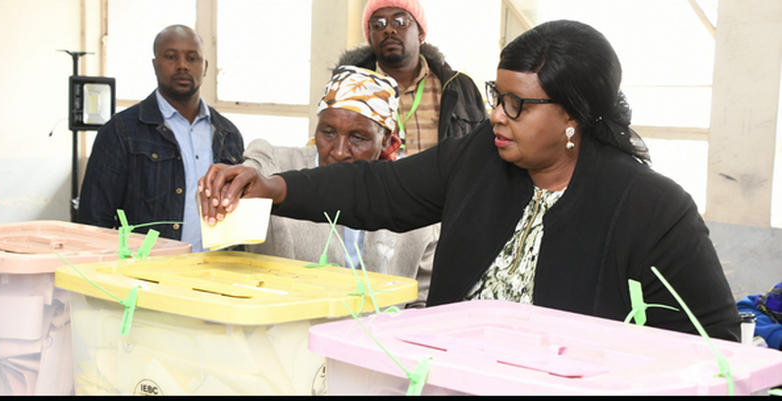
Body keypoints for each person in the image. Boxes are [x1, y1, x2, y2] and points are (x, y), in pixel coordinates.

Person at [199, 20, 741, 341]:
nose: (497, 115)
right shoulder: (482, 158)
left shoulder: (652, 210)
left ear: (573, 115)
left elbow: (715, 341)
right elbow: (379, 191)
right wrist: (275, 187)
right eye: (495, 94)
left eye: (516, 105)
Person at [205, 66, 438, 307]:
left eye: (357, 138)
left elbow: (421, 304)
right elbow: (252, 175)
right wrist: (226, 188)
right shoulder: (275, 166)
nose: (338, 152)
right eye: (328, 133)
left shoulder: (412, 196)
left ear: (386, 139)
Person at [78, 24, 244, 252]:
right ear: (155, 65)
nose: (182, 65)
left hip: (217, 275)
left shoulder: (228, 133)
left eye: (192, 58)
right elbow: (94, 220)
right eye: (171, 56)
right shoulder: (121, 131)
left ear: (205, 67)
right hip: (148, 275)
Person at [337, 0, 487, 157]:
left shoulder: (459, 87)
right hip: (377, 182)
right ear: (369, 37)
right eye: (378, 24)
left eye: (400, 22)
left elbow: (483, 150)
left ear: (420, 33)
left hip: (447, 182)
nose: (389, 30)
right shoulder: (349, 88)